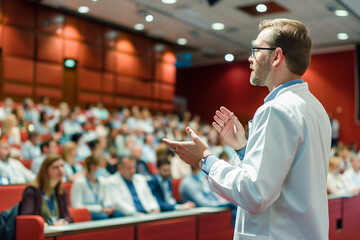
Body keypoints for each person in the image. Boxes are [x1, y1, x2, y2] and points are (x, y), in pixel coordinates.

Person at [163, 18, 332, 239]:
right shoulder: (314, 107)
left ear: (276, 56)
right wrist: (243, 148)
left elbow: (254, 194)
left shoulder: (276, 109)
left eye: (255, 49)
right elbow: (283, 176)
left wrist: (204, 159)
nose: (250, 58)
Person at [19, 154, 73, 226]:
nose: (61, 170)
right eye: (55, 167)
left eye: (62, 166)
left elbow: (67, 216)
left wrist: (64, 221)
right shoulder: (32, 190)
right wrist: (40, 224)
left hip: (56, 232)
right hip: (39, 233)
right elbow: (26, 218)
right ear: (46, 170)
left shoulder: (61, 190)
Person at [70, 155, 123, 220]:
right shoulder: (79, 182)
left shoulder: (103, 181)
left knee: (119, 214)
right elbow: (77, 205)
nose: (103, 170)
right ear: (92, 167)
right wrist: (100, 209)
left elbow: (107, 199)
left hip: (103, 210)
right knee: (103, 217)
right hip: (89, 212)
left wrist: (109, 206)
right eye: (101, 167)